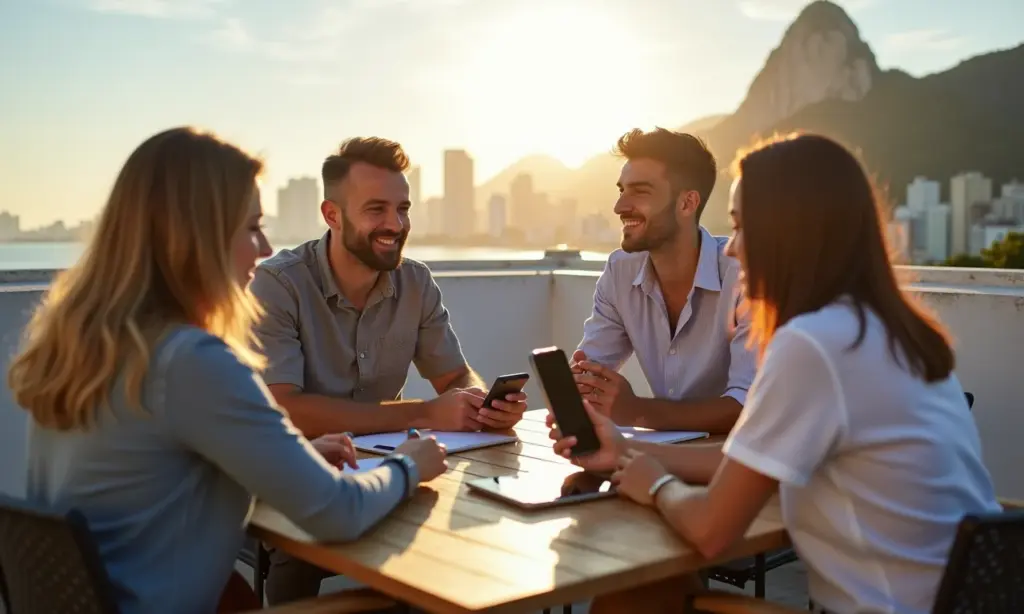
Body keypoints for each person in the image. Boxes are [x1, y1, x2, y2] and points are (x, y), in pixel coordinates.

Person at [549, 133, 1002, 614]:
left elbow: (710, 529)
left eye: (743, 227)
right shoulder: (886, 329)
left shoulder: (814, 345)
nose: (730, 250)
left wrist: (656, 484)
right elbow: (745, 462)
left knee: (632, 601)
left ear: (792, 233)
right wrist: (624, 451)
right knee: (642, 593)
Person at [12, 127, 448, 614]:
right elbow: (340, 514)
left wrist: (292, 455)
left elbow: (161, 478)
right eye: (251, 227)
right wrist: (410, 464)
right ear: (196, 238)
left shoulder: (85, 347)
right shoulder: (190, 360)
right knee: (412, 603)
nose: (264, 249)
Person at [248, 136, 529, 604]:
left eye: (403, 208)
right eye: (376, 209)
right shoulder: (279, 285)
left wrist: (478, 404)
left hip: (391, 466)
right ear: (332, 215)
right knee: (301, 550)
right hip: (302, 468)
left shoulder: (415, 281)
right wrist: (425, 414)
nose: (395, 224)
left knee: (472, 534)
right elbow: (286, 411)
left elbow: (456, 377)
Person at [571, 128, 756, 433]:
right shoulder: (620, 272)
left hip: (735, 460)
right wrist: (575, 399)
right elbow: (590, 370)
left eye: (640, 191)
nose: (620, 207)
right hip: (662, 456)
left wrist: (637, 412)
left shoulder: (742, 274)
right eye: (621, 190)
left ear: (687, 204)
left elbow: (748, 406)